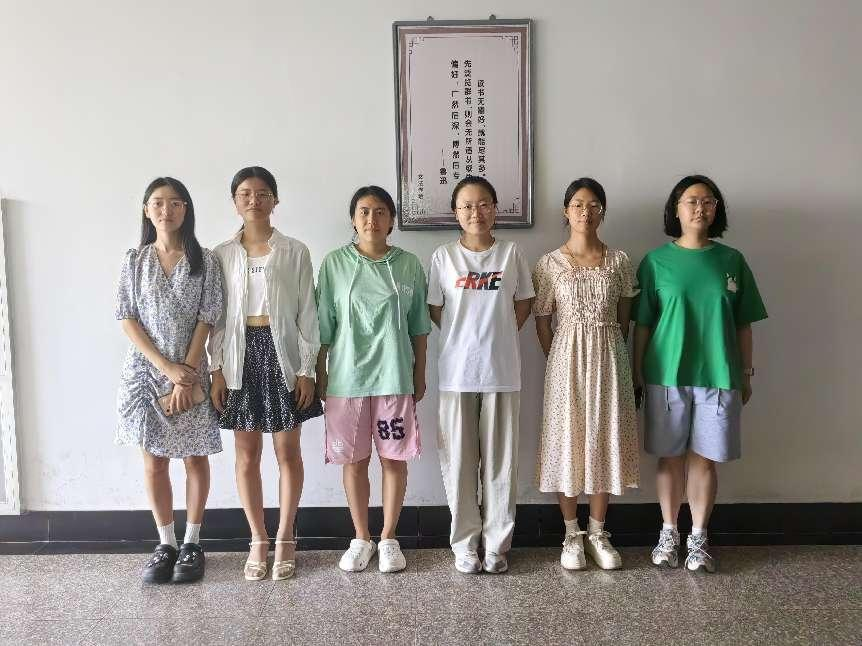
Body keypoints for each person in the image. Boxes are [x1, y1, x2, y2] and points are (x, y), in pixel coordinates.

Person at [633, 174, 767, 573]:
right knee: (670, 458)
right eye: (691, 200)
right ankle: (668, 533)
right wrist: (637, 374)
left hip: (719, 374)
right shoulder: (655, 262)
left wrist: (746, 373)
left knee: (706, 460)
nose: (699, 208)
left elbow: (744, 324)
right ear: (675, 209)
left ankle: (698, 538)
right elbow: (643, 325)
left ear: (716, 210)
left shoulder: (732, 261)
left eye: (708, 201)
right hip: (666, 375)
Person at [209, 166, 323, 581]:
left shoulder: (295, 251)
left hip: (283, 354)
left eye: (262, 193)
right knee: (246, 453)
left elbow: (307, 313)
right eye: (245, 194)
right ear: (235, 202)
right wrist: (216, 369)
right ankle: (258, 538)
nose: (253, 200)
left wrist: (307, 369)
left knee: (287, 451)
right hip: (239, 355)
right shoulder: (220, 254)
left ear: (275, 200)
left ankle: (286, 535)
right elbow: (216, 318)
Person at [316, 185, 431, 573]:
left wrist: (419, 374)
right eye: (364, 211)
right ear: (353, 219)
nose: (372, 219)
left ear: (392, 220)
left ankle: (389, 538)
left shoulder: (408, 264)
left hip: (394, 378)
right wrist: (319, 373)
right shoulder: (334, 264)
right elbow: (324, 326)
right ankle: (361, 538)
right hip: (346, 380)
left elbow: (420, 327)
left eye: (380, 211)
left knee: (394, 459)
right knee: (353, 461)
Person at [116, 177, 223, 584]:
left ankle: (193, 543)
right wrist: (165, 368)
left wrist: (185, 377)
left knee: (195, 457)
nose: (167, 210)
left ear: (186, 210)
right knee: (154, 460)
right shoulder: (134, 261)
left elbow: (207, 318)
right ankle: (165, 544)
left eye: (176, 203)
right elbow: (127, 318)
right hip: (146, 374)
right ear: (146, 210)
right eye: (158, 203)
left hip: (190, 374)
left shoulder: (205, 260)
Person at [427, 176, 534, 574]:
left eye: (484, 203)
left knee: (500, 463)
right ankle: (465, 545)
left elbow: (523, 304)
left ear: (495, 208)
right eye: (467, 206)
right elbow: (436, 310)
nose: (477, 212)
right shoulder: (443, 257)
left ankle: (497, 546)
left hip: (501, 372)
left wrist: (496, 337)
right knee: (458, 462)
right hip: (456, 373)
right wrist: (466, 340)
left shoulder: (511, 254)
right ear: (455, 213)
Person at [533, 177, 640, 571]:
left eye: (594, 204)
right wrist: (560, 357)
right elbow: (542, 320)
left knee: (602, 438)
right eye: (578, 204)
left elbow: (625, 318)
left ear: (603, 211)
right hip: (565, 363)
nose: (586, 211)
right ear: (566, 211)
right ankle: (570, 534)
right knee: (568, 441)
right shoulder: (549, 264)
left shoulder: (620, 261)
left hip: (610, 359)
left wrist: (610, 350)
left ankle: (598, 532)